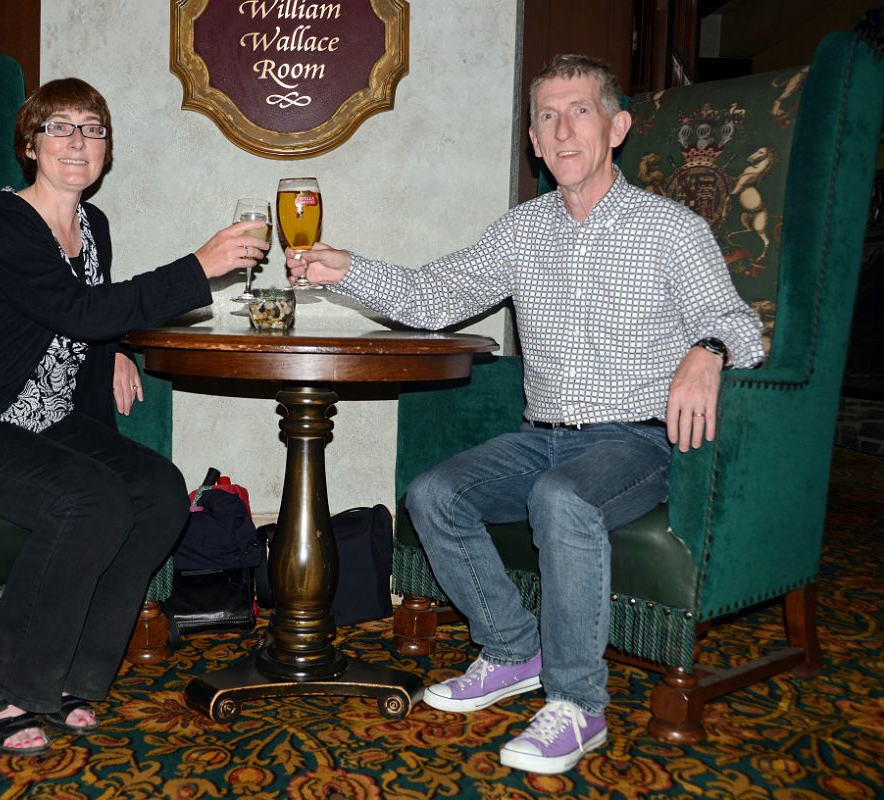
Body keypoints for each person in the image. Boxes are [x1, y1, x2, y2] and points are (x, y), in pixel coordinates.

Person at [285, 55, 764, 775]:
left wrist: (708, 347)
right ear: (534, 143)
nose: (563, 129)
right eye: (547, 117)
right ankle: (512, 648)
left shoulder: (671, 229)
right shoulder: (521, 230)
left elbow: (743, 325)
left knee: (560, 498)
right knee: (434, 494)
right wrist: (344, 269)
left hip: (636, 440)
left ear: (618, 127)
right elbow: (434, 297)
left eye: (580, 111)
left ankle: (578, 704)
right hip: (542, 436)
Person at [0, 77, 266, 755]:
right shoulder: (2, 220)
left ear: (106, 150)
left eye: (92, 129)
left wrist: (116, 348)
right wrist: (198, 267)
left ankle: (67, 674)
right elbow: (75, 310)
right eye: (59, 127)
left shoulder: (93, 226)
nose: (77, 141)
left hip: (44, 420)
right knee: (87, 500)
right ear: (30, 144)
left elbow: (83, 315)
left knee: (157, 492)